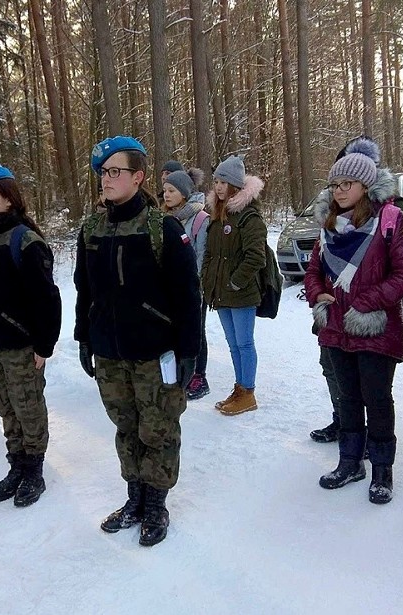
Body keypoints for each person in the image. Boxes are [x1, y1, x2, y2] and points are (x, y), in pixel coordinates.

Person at [74, 136, 201, 546]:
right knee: (125, 427)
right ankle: (134, 496)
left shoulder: (162, 227)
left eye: (115, 172)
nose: (106, 180)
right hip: (109, 352)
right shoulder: (91, 228)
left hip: (154, 354)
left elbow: (187, 295)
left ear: (138, 176)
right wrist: (84, 336)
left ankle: (155, 503)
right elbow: (84, 290)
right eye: (102, 173)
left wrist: (188, 352)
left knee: (158, 429)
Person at [304, 145, 403, 503]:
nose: (339, 190)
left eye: (347, 183)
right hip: (335, 327)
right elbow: (314, 271)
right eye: (335, 183)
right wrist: (317, 294)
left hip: (375, 326)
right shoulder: (328, 225)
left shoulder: (389, 220)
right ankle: (350, 461)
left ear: (366, 186)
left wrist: (368, 301)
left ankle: (382, 469)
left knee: (377, 398)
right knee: (348, 397)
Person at [0, 165, 61, 507]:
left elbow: (46, 298)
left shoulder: (25, 239)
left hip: (22, 345)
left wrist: (43, 344)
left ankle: (33, 470)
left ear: (9, 198)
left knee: (28, 408)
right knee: (5, 407)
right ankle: (16, 466)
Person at [201, 155, 266, 415]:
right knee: (232, 344)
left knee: (244, 343)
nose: (218, 186)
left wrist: (234, 282)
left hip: (241, 293)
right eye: (216, 181)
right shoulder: (217, 215)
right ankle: (239, 388)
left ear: (235, 186)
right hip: (221, 293)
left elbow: (256, 257)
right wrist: (208, 279)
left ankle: (248, 392)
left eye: (223, 181)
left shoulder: (249, 217)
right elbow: (210, 254)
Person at [161, 167, 211, 400]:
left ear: (184, 193)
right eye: (164, 191)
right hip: (170, 288)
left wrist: (196, 285)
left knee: (196, 330)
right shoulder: (164, 218)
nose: (166, 195)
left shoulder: (200, 219)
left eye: (171, 190)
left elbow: (202, 255)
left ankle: (199, 376)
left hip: (193, 286)